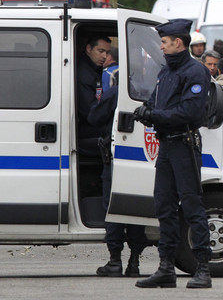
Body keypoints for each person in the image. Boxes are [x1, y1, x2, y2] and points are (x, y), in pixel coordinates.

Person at [133, 18, 212, 289]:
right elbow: (157, 102)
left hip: (185, 145)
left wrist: (155, 114)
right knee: (164, 207)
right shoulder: (166, 73)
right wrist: (146, 112)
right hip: (167, 145)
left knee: (191, 206)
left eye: (165, 43)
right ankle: (166, 267)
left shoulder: (195, 72)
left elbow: (189, 112)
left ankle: (203, 268)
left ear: (178, 42)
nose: (162, 48)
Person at [88, 83, 148, 278]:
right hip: (140, 157)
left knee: (113, 209)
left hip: (114, 157)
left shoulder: (115, 92)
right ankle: (134, 261)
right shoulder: (147, 92)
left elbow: (94, 117)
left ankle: (115, 260)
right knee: (135, 208)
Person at [77, 35, 112, 156]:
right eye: (100, 51)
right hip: (83, 126)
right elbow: (91, 113)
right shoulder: (84, 74)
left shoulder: (93, 70)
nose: (104, 56)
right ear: (88, 48)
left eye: (107, 52)